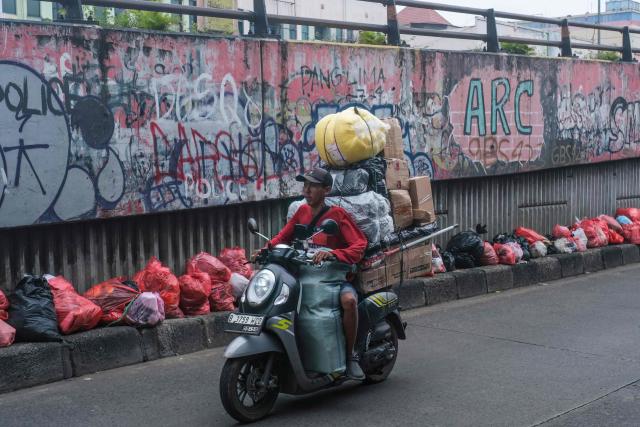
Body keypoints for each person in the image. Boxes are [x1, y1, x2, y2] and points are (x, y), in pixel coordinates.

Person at [267, 167, 368, 380]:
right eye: (305, 185)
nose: (307, 190)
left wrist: (334, 254)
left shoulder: (337, 215)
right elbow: (283, 237)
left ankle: (350, 357)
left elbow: (359, 245)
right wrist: (267, 248)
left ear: (327, 190)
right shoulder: (301, 212)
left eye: (312, 186)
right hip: (306, 275)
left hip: (335, 278)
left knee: (349, 301)